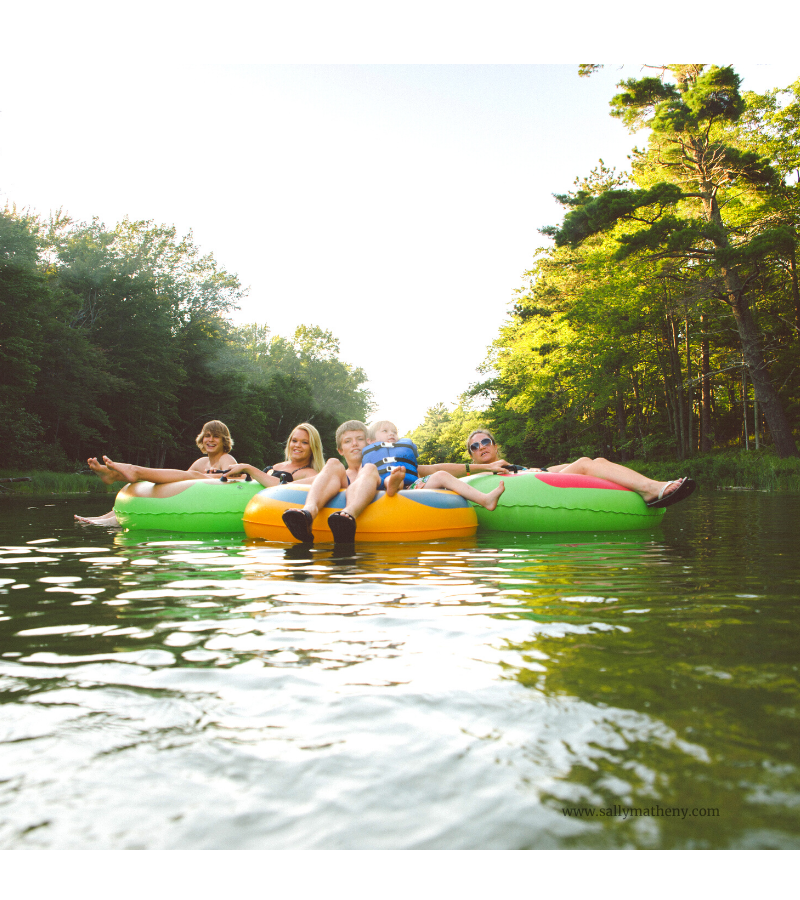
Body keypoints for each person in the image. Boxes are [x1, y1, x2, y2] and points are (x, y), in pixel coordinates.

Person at [281, 420, 508, 544]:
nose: (356, 445)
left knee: (371, 469)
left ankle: (348, 515)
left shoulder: (396, 464)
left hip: (396, 497)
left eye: (361, 439)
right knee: (334, 464)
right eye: (348, 441)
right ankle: (307, 514)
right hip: (353, 496)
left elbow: (441, 469)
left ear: (370, 442)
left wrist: (487, 466)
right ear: (341, 448)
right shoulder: (337, 472)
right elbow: (291, 485)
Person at [463, 428, 696, 509]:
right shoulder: (479, 474)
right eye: (475, 446)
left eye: (485, 442)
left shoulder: (509, 464)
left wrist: (545, 469)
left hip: (539, 477)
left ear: (495, 446)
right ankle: (651, 488)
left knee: (598, 462)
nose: (481, 447)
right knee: (584, 462)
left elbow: (540, 470)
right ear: (471, 454)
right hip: (533, 488)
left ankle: (650, 487)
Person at [74, 420, 237, 526]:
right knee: (163, 480)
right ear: (202, 439)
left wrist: (212, 475)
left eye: (216, 437)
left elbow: (235, 478)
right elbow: (181, 483)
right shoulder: (201, 462)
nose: (210, 440)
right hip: (196, 496)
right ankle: (107, 513)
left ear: (224, 441)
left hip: (213, 501)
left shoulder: (226, 458)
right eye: (207, 436)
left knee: (191, 475)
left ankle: (130, 472)